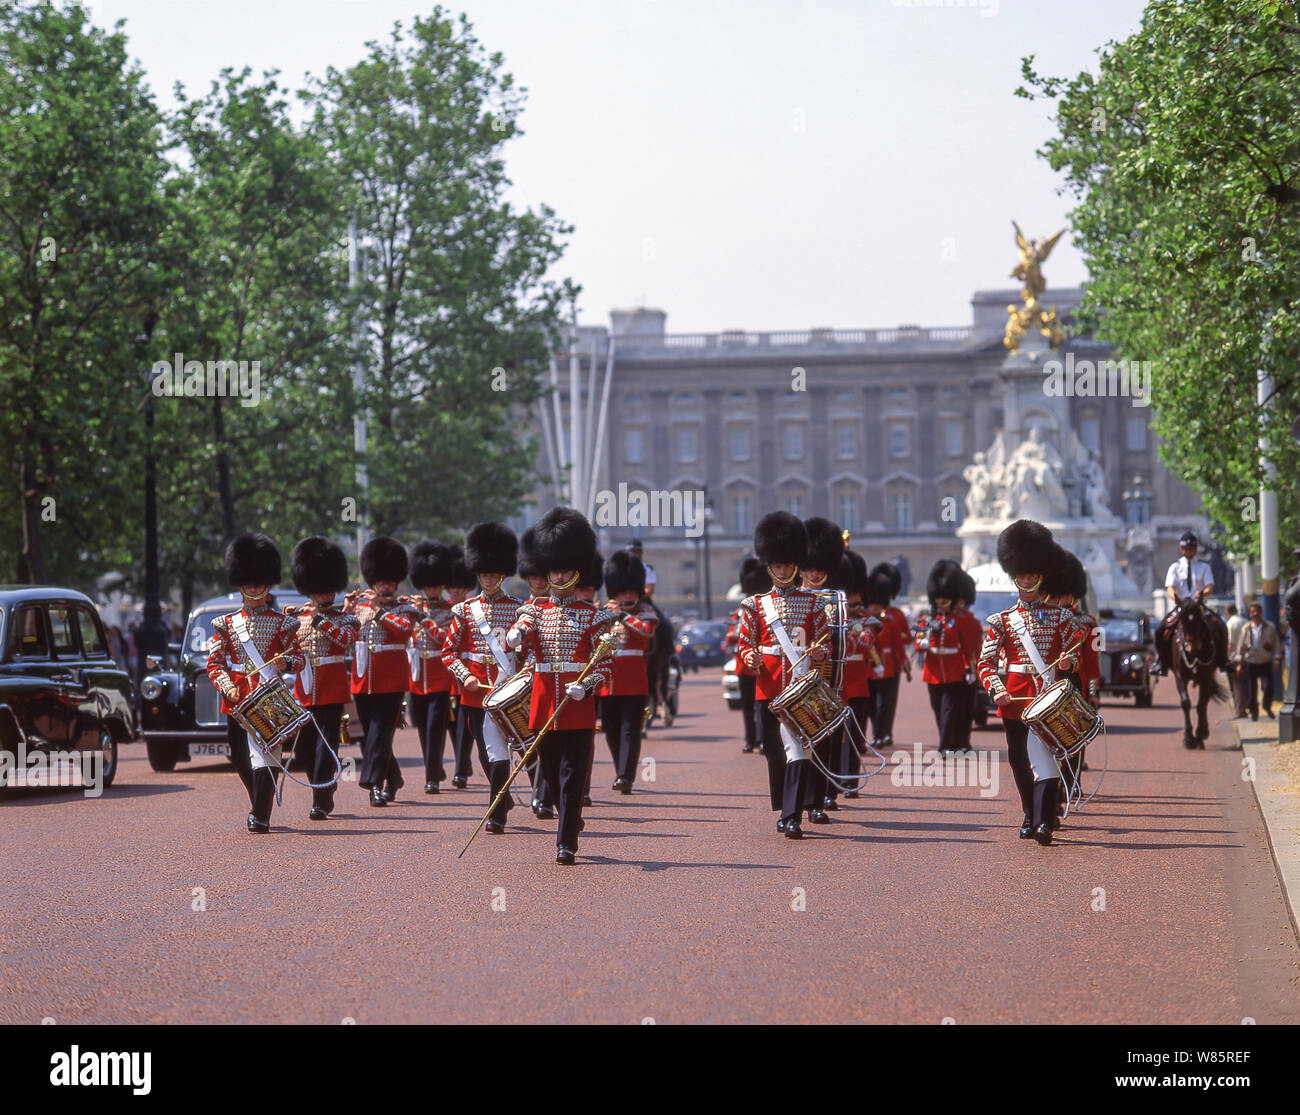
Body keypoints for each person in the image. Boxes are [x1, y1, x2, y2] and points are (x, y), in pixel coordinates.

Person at [506, 507, 616, 865]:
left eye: (566, 570)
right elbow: (518, 634)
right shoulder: (534, 611)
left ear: (576, 571)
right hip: (542, 704)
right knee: (551, 776)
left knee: (572, 776)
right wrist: (516, 633)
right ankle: (570, 818)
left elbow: (607, 665)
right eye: (554, 570)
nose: (559, 575)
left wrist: (590, 686)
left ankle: (565, 841)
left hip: (578, 706)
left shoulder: (594, 615)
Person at [976, 520, 1086, 846]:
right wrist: (996, 689)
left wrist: (1068, 662)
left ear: (1040, 575)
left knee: (1046, 758)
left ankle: (1042, 821)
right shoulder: (1001, 620)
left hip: (1047, 694)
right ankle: (1029, 813)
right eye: (1022, 574)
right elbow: (985, 662)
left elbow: (1075, 656)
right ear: (1015, 575)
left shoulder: (1061, 617)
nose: (1026, 579)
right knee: (1019, 759)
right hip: (1014, 696)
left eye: (1031, 574)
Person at [736, 511, 830, 839]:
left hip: (799, 685)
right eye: (777, 565)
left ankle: (793, 816)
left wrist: (820, 652)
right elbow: (744, 644)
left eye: (788, 565)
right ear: (769, 566)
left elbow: (825, 643)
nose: (783, 570)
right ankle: (782, 806)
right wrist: (751, 657)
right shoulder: (754, 605)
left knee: (799, 749)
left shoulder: (814, 604)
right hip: (768, 685)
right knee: (773, 751)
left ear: (795, 566)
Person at [206, 533, 307, 834]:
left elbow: (299, 660)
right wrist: (227, 685)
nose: (252, 588)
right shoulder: (225, 625)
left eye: (257, 583)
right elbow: (213, 663)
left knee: (267, 754)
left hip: (268, 696)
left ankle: (260, 816)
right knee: (240, 756)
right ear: (240, 584)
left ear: (266, 584)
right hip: (237, 697)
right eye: (248, 583)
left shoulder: (283, 623)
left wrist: (284, 663)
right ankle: (258, 804)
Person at [441, 522, 522, 835]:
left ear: (501, 575)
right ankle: (502, 801)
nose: (488, 579)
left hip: (508, 689)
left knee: (502, 751)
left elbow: (526, 654)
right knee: (487, 752)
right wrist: (465, 677)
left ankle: (497, 814)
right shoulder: (465, 610)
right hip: (476, 692)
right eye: (484, 574)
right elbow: (448, 653)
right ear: (478, 574)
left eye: (493, 574)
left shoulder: (518, 608)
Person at [287, 536, 359, 821]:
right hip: (305, 689)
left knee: (326, 747)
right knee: (305, 748)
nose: (325, 596)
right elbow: (289, 652)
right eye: (319, 591)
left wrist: (319, 619)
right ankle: (325, 789)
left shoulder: (345, 618)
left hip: (332, 691)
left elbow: (344, 642)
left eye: (328, 591)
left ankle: (318, 801)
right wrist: (286, 622)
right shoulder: (298, 618)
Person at [347, 537, 418, 807]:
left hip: (391, 679)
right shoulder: (360, 607)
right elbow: (349, 634)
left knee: (380, 732)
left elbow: (403, 629)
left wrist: (378, 610)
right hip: (363, 678)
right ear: (374, 581)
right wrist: (345, 611)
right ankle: (395, 777)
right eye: (382, 582)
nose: (386, 586)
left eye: (390, 582)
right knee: (369, 735)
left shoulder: (405, 608)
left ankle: (374, 784)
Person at [598, 551, 658, 794]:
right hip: (608, 683)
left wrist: (622, 616)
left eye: (631, 592)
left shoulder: (646, 614)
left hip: (634, 683)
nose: (627, 596)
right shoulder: (606, 614)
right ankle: (620, 770)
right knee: (611, 732)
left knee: (630, 732)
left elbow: (645, 632)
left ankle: (625, 776)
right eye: (623, 592)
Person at [799, 516, 846, 825]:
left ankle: (815, 802)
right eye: (810, 568)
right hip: (793, 678)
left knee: (820, 742)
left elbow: (841, 643)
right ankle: (794, 801)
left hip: (824, 680)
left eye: (819, 569)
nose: (815, 574)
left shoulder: (835, 600)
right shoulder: (790, 600)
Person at [916, 559, 983, 755]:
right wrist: (922, 643)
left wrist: (971, 669)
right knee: (938, 709)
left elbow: (969, 646)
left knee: (950, 710)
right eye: (938, 598)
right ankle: (950, 741)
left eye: (945, 598)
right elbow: (919, 643)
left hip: (955, 670)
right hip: (933, 670)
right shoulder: (928, 619)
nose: (941, 601)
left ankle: (945, 745)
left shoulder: (960, 620)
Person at [407, 541, 455, 795]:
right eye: (428, 585)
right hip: (417, 677)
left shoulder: (449, 611)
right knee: (422, 727)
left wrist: (422, 617)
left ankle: (431, 778)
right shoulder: (414, 607)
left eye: (435, 585)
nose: (432, 589)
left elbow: (444, 639)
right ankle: (434, 767)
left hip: (439, 677)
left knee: (436, 727)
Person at [828, 549, 876, 805]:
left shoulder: (866, 620)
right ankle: (829, 786)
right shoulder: (829, 616)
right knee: (831, 737)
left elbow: (866, 643)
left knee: (854, 736)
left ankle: (850, 782)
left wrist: (852, 626)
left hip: (856, 683)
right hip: (832, 681)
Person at [517, 527, 554, 817]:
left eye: (542, 577)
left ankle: (544, 794)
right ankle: (539, 791)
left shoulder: (558, 608)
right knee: (530, 739)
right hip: (526, 681)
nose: (538, 582)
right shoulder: (523, 609)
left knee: (548, 739)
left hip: (551, 680)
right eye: (533, 577)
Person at [1155, 529, 1228, 673]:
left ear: (1195, 549)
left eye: (1192, 548)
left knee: (1220, 625)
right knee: (1160, 630)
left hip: (1198, 606)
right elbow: (1170, 587)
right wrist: (1175, 596)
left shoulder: (1204, 567)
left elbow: (1210, 587)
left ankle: (1223, 660)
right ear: (1181, 549)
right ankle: (1161, 662)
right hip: (1182, 607)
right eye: (1186, 548)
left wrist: (1202, 593)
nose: (1189, 551)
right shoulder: (1174, 568)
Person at [727, 557, 771, 754]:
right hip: (744, 663)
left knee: (761, 702)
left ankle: (762, 738)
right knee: (746, 704)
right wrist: (732, 635)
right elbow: (730, 638)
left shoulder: (767, 609)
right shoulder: (740, 611)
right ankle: (749, 739)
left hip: (762, 661)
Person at [867, 562, 912, 746]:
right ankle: (878, 732)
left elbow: (905, 640)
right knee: (872, 704)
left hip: (890, 664)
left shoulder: (895, 617)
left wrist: (904, 664)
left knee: (887, 702)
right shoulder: (866, 618)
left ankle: (885, 732)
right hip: (870, 666)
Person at [444, 545, 477, 789]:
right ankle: (462, 765)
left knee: (465, 726)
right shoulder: (438, 608)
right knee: (450, 724)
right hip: (446, 675)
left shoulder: (473, 608)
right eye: (451, 586)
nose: (455, 590)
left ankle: (460, 770)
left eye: (459, 586)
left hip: (470, 674)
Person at [1234, 601, 1282, 721]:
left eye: (1257, 611)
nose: (1255, 614)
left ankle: (1266, 706)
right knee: (1251, 690)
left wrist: (1276, 659)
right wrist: (1239, 662)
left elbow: (1276, 645)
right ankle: (1254, 711)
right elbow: (1240, 646)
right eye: (1252, 612)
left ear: (1261, 612)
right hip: (1251, 662)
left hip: (1265, 662)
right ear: (1250, 614)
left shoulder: (1270, 627)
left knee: (1268, 687)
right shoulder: (1246, 628)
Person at [1224, 603, 1249, 718]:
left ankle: (1240, 710)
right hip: (1247, 656)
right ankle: (1246, 707)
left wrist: (1226, 659)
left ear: (1227, 612)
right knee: (1245, 683)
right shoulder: (1245, 621)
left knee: (1236, 685)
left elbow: (1230, 644)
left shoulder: (1230, 624)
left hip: (1234, 657)